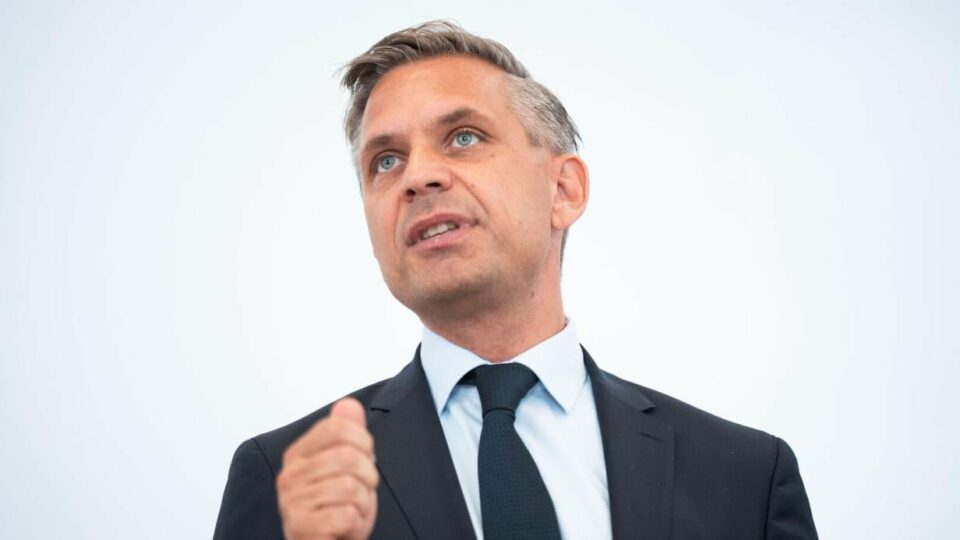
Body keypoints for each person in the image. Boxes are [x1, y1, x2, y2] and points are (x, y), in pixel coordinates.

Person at [213, 20, 818, 540]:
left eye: (464, 137)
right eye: (386, 161)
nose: (417, 176)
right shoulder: (284, 481)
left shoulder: (746, 476)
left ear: (564, 190)